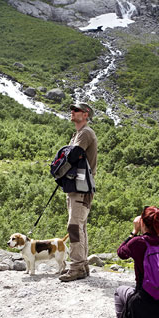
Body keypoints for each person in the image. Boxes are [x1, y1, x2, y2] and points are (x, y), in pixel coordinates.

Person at [59, 102, 97, 282]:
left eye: (76, 110)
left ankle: (76, 267)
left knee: (74, 226)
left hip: (81, 187)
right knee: (79, 226)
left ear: (86, 114)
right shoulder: (78, 134)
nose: (72, 112)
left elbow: (72, 156)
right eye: (71, 110)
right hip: (76, 187)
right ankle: (82, 266)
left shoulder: (85, 133)